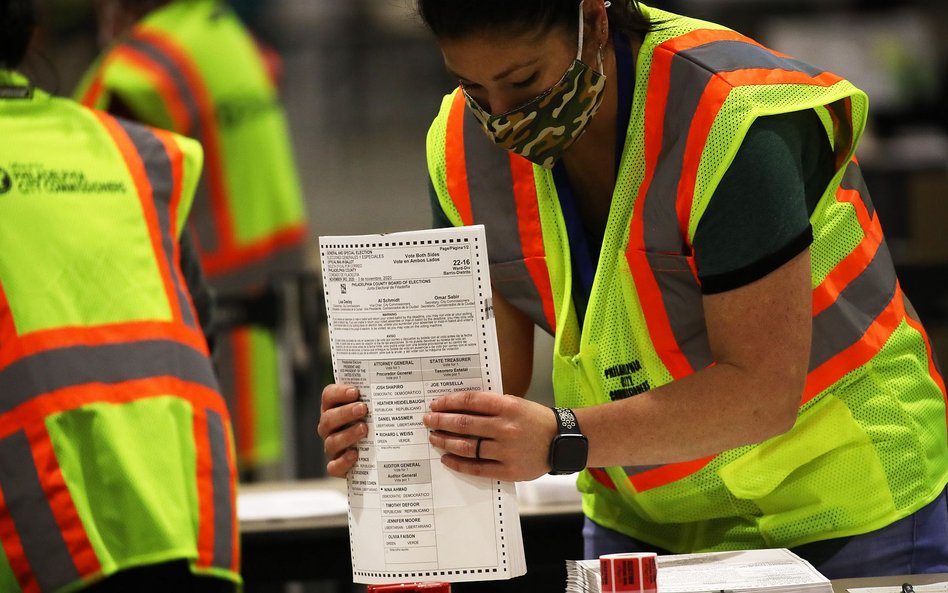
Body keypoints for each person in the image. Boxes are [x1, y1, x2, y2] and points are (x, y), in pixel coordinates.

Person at [318, 0, 948, 579]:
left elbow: (761, 393)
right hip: (640, 520)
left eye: (524, 80)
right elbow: (486, 386)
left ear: (592, 20)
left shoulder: (730, 117)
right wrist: (386, 426)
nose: (502, 117)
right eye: (472, 85)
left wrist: (562, 438)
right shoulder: (458, 146)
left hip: (845, 503)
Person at [0, 1, 240, 591]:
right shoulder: (138, 152)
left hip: (37, 541)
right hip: (186, 523)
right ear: (33, 37)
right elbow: (198, 326)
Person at [75, 0, 310, 476]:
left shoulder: (134, 68)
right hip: (271, 311)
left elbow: (80, 193)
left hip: (203, 327)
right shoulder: (223, 30)